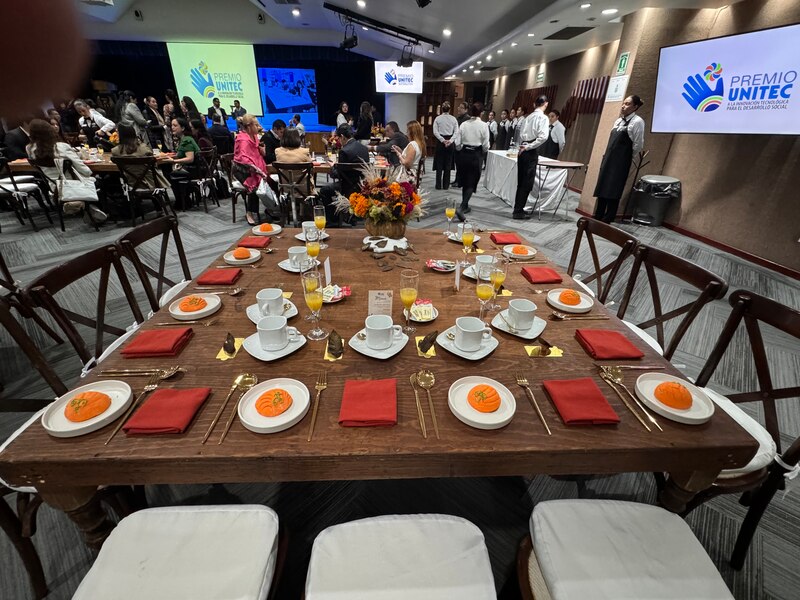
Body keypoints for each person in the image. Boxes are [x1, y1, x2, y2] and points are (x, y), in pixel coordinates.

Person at [26, 118, 106, 223]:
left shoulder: (29, 149)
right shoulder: (61, 147)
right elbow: (85, 170)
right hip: (74, 184)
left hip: (54, 187)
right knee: (102, 181)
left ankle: (84, 206)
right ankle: (92, 208)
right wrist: (91, 172)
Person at [593, 95, 645, 223]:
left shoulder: (637, 122)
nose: (623, 106)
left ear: (635, 107)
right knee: (603, 186)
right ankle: (598, 214)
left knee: (614, 189)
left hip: (621, 161)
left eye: (627, 104)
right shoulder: (618, 121)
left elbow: (638, 144)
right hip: (609, 158)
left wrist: (627, 157)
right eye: (623, 103)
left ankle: (608, 217)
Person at [318, 123, 368, 223]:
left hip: (346, 187)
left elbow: (337, 175)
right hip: (362, 186)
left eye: (339, 139)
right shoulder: (364, 148)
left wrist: (333, 167)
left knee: (324, 190)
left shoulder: (344, 151)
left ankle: (333, 220)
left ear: (342, 137)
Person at [512, 95, 549, 220]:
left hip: (522, 149)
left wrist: (523, 147)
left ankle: (518, 208)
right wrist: (529, 147)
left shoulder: (528, 117)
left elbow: (521, 134)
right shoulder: (543, 118)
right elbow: (543, 137)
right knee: (527, 182)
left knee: (521, 181)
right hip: (530, 151)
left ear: (534, 104)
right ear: (546, 104)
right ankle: (518, 211)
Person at [453, 103, 489, 220]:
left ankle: (466, 205)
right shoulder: (484, 125)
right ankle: (462, 207)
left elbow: (457, 143)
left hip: (464, 154)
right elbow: (485, 145)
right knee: (472, 181)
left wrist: (461, 149)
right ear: (482, 113)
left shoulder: (463, 124)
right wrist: (482, 152)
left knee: (465, 179)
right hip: (475, 155)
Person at [111, 123, 171, 191]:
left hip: (131, 183)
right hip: (151, 182)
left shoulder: (115, 151)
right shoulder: (144, 148)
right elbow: (154, 164)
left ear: (121, 135)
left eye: (117, 132)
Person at [233, 113, 269, 225]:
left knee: (269, 182)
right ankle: (250, 213)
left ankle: (272, 209)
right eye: (256, 125)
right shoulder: (243, 140)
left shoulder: (254, 137)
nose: (259, 127)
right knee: (254, 187)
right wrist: (259, 171)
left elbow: (258, 154)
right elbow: (244, 160)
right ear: (249, 126)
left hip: (254, 168)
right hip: (242, 170)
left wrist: (263, 151)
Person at [168, 117, 200, 210]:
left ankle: (183, 201)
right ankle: (183, 200)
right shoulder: (183, 139)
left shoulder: (187, 140)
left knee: (170, 175)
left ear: (182, 128)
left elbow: (190, 158)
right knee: (171, 172)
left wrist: (173, 161)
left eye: (175, 125)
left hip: (194, 170)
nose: (172, 127)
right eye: (171, 125)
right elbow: (179, 155)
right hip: (192, 168)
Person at [432, 102, 458, 190]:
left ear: (442, 109)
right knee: (448, 164)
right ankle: (446, 185)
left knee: (439, 164)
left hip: (440, 143)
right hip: (450, 143)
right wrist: (450, 141)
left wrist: (443, 140)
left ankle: (438, 185)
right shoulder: (453, 119)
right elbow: (456, 132)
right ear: (450, 109)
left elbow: (435, 132)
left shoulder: (437, 118)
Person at [452, 102, 470, 187]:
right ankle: (457, 180)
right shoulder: (458, 118)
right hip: (457, 144)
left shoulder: (467, 119)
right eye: (459, 106)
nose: (459, 108)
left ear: (466, 110)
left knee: (461, 164)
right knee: (458, 164)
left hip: (462, 145)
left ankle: (460, 181)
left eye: (461, 107)